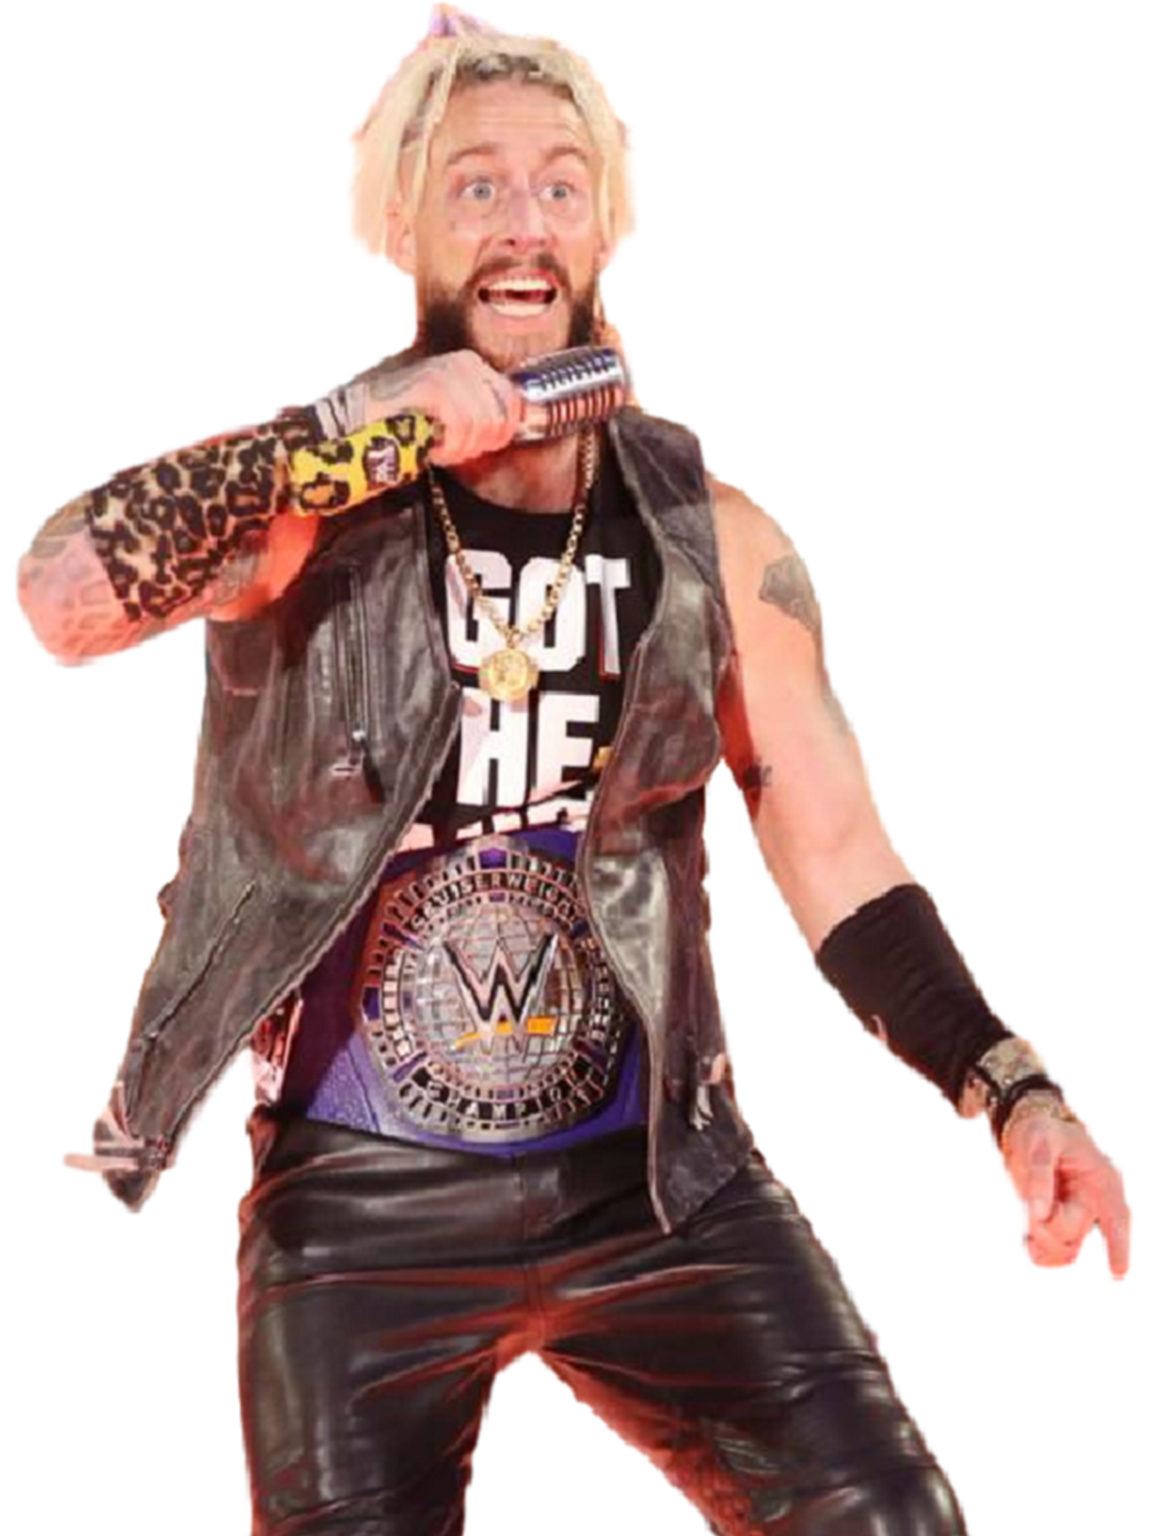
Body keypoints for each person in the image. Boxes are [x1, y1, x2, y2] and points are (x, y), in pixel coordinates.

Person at [14, 8, 1132, 1535]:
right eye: (474, 184)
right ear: (404, 223)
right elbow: (61, 596)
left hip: (661, 1189)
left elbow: (839, 855)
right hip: (362, 1205)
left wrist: (1014, 1093)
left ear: (605, 221)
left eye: (559, 182)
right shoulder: (307, 507)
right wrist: (347, 434)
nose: (522, 221)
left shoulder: (709, 536)